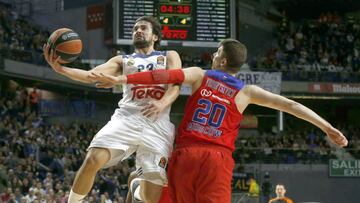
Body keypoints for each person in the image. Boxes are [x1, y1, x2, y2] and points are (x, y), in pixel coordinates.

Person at [88, 38, 348, 203]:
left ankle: (137, 188)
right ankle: (138, 187)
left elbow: (162, 75)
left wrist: (122, 79)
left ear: (222, 60)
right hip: (217, 158)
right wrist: (326, 127)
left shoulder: (200, 75)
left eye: (216, 52)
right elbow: (290, 105)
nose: (212, 54)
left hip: (188, 153)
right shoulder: (247, 92)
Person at [43, 16, 182, 203]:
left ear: (155, 36)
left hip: (157, 124)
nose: (138, 31)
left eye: (143, 28)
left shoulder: (169, 56)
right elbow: (92, 76)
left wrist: (163, 103)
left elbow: (175, 85)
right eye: (135, 29)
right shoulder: (122, 60)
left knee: (151, 198)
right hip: (127, 119)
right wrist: (61, 69)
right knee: (92, 159)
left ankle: (135, 185)